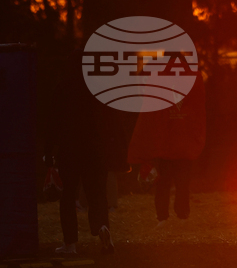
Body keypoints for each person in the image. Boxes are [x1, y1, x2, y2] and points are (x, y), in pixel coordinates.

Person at [50, 50, 114, 255]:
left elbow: (53, 124)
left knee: (67, 197)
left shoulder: (63, 88)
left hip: (70, 150)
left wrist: (48, 153)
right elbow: (108, 122)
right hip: (95, 151)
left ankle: (70, 244)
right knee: (97, 194)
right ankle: (102, 227)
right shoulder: (98, 89)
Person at [128, 74, 206, 228]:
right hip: (183, 146)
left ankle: (163, 217)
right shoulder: (191, 81)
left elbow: (152, 117)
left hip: (166, 146)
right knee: (182, 183)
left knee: (163, 184)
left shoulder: (161, 82)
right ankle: (182, 215)